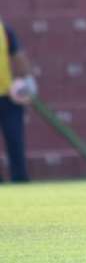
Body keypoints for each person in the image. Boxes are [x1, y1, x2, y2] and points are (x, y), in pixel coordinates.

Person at [1, 18, 37, 183]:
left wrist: (28, 80)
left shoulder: (4, 30)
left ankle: (20, 182)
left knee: (15, 142)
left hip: (9, 97)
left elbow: (18, 56)